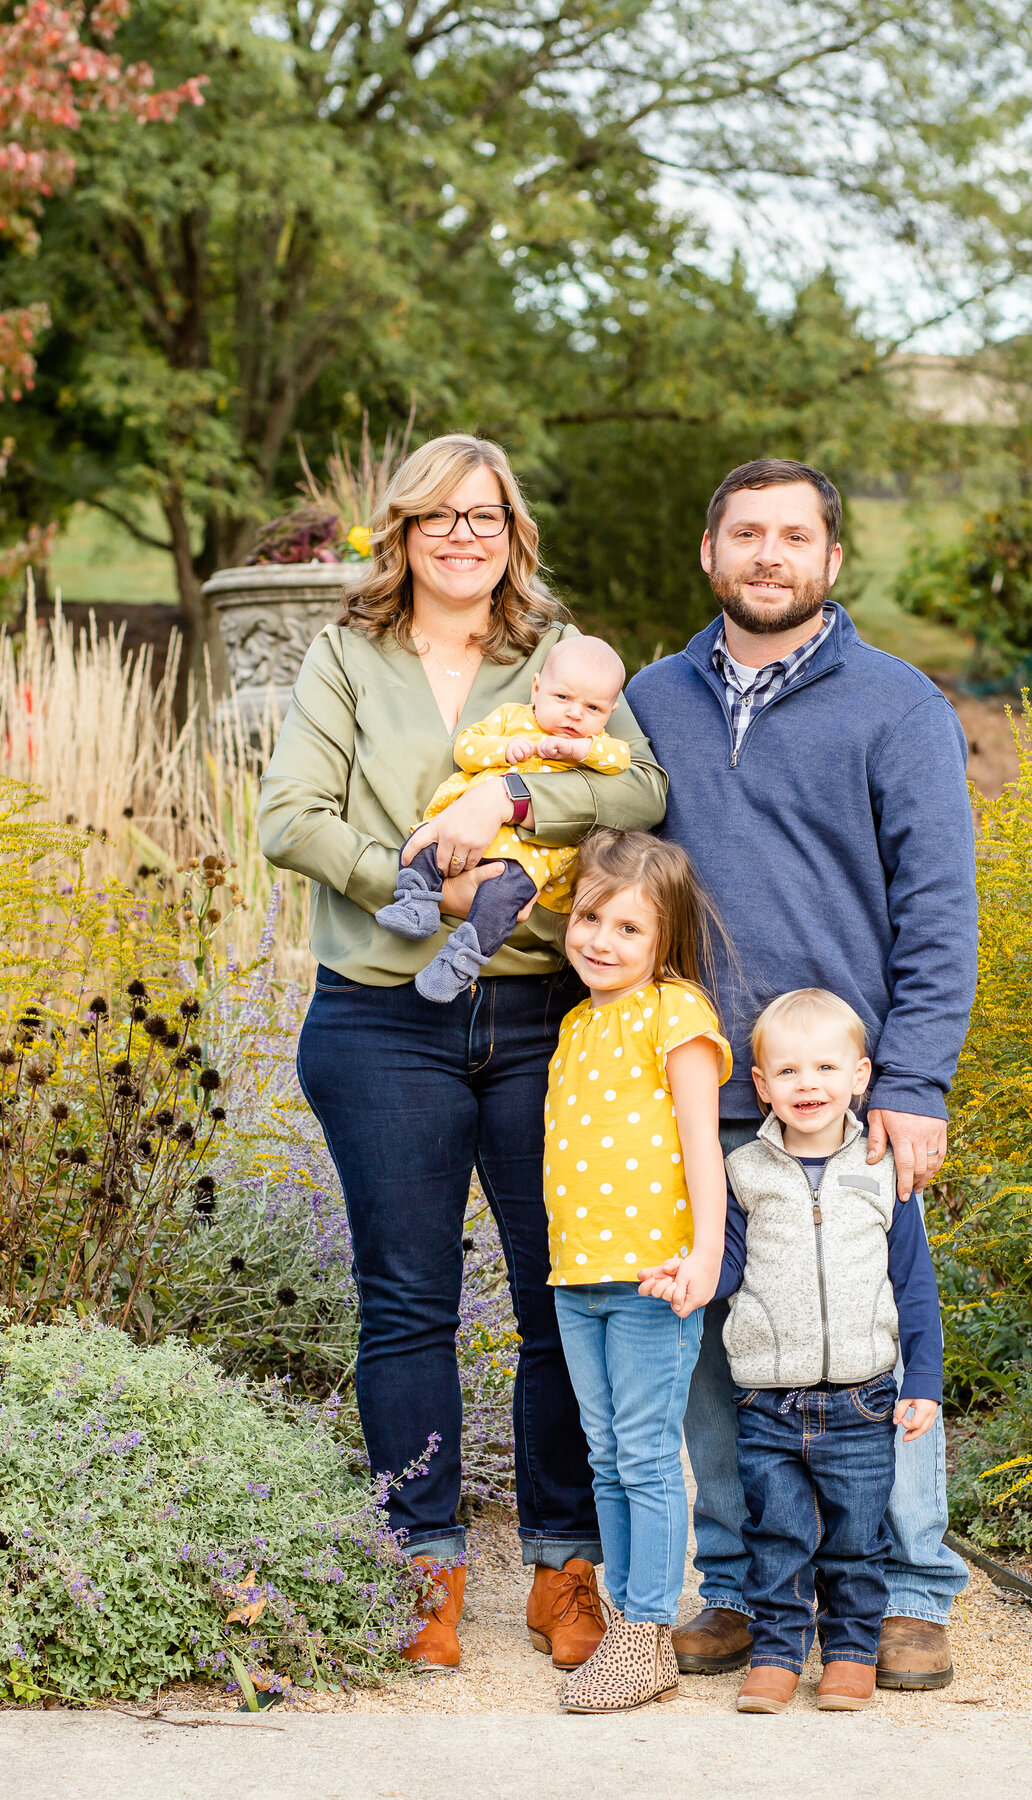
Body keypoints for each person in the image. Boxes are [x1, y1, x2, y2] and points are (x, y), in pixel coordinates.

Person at [258, 433, 668, 1672]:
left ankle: (565, 1567)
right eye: (436, 517)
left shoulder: (563, 658)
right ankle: (422, 1568)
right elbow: (288, 815)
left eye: (482, 516)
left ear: (512, 530)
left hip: (547, 1015)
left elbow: (640, 790)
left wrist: (517, 802)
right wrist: (409, 886)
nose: (461, 536)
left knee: (566, 1296)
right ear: (401, 532)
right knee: (405, 1305)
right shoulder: (344, 656)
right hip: (385, 1015)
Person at [626, 458, 977, 1691]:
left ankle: (908, 1592)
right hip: (696, 1084)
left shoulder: (897, 704)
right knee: (725, 1349)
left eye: (795, 536)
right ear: (710, 555)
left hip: (842, 1092)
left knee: (876, 1334)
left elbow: (938, 908)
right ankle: (736, 1586)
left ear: (831, 561)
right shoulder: (650, 701)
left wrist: (915, 1079)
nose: (768, 554)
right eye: (746, 534)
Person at [644, 988, 943, 1714]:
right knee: (775, 1535)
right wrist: (688, 1277)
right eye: (787, 1072)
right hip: (768, 1401)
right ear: (759, 1085)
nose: (807, 1085)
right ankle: (777, 1654)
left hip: (862, 1396)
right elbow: (731, 1270)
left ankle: (847, 1655)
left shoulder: (881, 1170)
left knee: (856, 1540)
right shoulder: (745, 1172)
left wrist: (924, 1381)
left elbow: (915, 1287)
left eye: (825, 1068)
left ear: (861, 1076)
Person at [546, 830, 732, 1714]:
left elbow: (703, 1145)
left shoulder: (677, 1011)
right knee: (608, 1454)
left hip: (656, 1274)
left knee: (650, 1455)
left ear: (664, 942)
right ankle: (625, 1617)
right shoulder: (577, 1023)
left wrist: (706, 1253)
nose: (602, 940)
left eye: (629, 928)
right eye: (590, 917)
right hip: (578, 1277)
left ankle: (648, 1633)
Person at [376, 634, 630, 1002]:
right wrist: (503, 749)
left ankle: (460, 962)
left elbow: (620, 758)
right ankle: (416, 902)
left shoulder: (595, 747)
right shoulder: (511, 718)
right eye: (563, 698)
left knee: (503, 899)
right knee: (421, 848)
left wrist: (582, 749)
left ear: (610, 712)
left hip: (527, 856)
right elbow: (466, 748)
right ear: (537, 688)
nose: (575, 714)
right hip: (459, 828)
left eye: (593, 708)